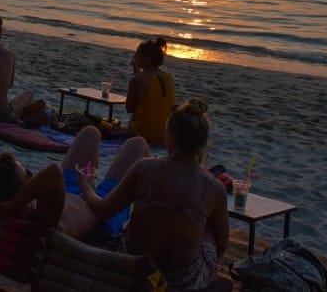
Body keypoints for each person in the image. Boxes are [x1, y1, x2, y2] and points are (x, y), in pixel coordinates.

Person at [79, 99, 229, 291]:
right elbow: (222, 243)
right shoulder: (214, 188)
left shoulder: (145, 167)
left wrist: (87, 186)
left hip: (134, 266)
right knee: (207, 230)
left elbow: (101, 210)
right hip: (181, 281)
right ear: (203, 142)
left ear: (170, 136)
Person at [0, 127, 150, 241]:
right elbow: (53, 172)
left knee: (90, 133)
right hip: (101, 210)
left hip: (69, 190)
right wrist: (87, 188)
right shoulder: (43, 216)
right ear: (22, 191)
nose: (33, 177)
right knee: (138, 145)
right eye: (29, 175)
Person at [125, 37, 177, 144]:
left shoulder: (136, 80)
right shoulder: (168, 77)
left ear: (147, 60)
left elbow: (129, 108)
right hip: (168, 134)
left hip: (144, 134)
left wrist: (136, 72)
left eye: (137, 54)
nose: (134, 57)